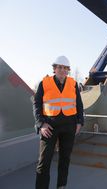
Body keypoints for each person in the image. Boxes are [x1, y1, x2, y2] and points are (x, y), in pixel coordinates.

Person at [33, 56, 84, 189]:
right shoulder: (44, 83)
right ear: (54, 69)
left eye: (65, 68)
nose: (62, 70)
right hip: (49, 126)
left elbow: (79, 104)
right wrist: (41, 124)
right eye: (59, 67)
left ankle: (61, 186)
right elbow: (36, 104)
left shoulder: (73, 84)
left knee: (65, 160)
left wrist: (79, 122)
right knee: (44, 163)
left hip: (69, 126)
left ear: (68, 71)